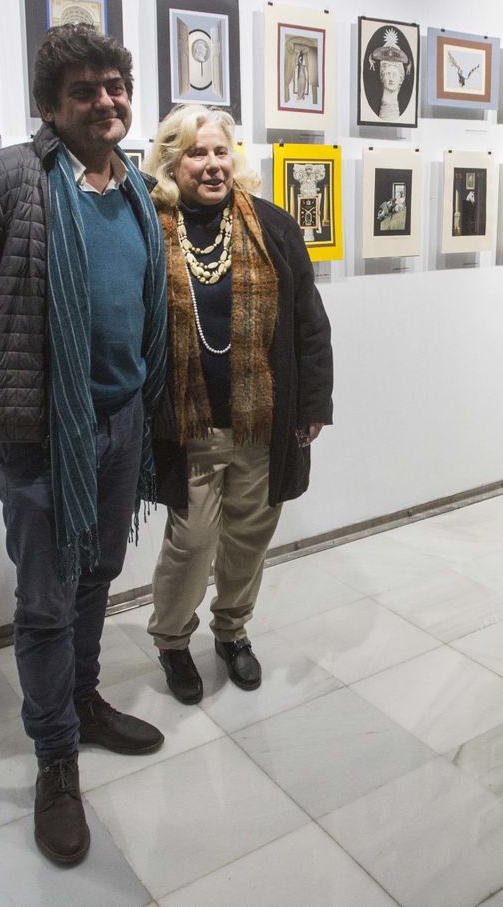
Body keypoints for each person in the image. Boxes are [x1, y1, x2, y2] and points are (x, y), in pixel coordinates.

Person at [0, 24, 170, 866]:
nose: (106, 100)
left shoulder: (136, 187)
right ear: (49, 106)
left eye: (115, 84)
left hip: (123, 418)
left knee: (97, 571)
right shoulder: (2, 184)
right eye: (86, 89)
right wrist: (10, 386)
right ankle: (55, 756)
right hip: (41, 435)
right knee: (46, 596)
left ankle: (85, 700)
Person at [142, 105, 333, 704]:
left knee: (251, 532)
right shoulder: (149, 227)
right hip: (187, 421)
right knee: (193, 539)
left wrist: (313, 403)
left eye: (220, 152)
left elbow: (308, 321)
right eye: (197, 153)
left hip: (261, 419)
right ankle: (173, 640)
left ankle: (232, 631)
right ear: (172, 161)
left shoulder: (272, 226)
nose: (212, 164)